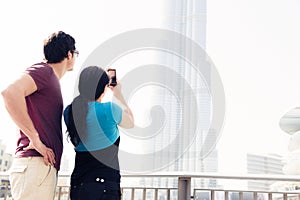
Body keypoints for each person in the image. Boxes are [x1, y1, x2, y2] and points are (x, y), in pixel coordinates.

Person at [1, 31, 78, 200]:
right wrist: (34, 138)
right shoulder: (44, 71)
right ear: (69, 54)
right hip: (34, 164)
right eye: (75, 53)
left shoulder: (50, 78)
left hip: (39, 168)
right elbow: (10, 93)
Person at [64, 66, 134, 200]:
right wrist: (119, 95)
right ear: (104, 87)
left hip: (78, 185)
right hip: (105, 186)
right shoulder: (109, 110)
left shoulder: (69, 112)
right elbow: (130, 122)